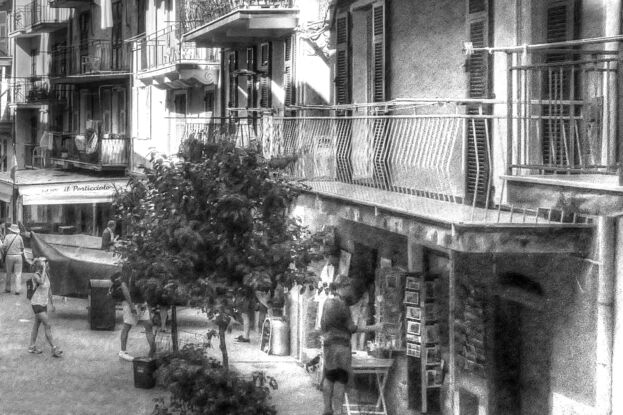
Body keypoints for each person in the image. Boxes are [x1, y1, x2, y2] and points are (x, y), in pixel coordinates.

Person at [320, 274, 383, 415]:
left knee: (329, 376)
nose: (351, 290)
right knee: (341, 379)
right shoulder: (342, 305)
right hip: (341, 346)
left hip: (328, 345)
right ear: (344, 287)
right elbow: (352, 328)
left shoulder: (327, 302)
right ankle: (338, 411)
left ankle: (327, 408)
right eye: (349, 286)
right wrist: (374, 327)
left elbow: (323, 325)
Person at [28, 257, 63, 357]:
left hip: (43, 304)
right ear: (42, 266)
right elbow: (42, 282)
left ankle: (31, 346)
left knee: (36, 325)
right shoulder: (36, 275)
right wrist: (43, 270)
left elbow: (49, 289)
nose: (49, 267)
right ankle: (54, 348)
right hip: (36, 304)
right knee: (47, 324)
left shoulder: (46, 275)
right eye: (46, 265)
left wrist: (52, 303)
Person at [118, 272, 156, 361]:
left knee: (148, 326)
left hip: (142, 303)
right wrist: (131, 305)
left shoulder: (144, 269)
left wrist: (146, 304)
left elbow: (147, 289)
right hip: (130, 303)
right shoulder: (128, 269)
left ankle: (152, 351)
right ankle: (123, 351)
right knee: (127, 326)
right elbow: (124, 287)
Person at [4, 223, 24, 295]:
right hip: (18, 256)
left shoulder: (7, 237)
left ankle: (8, 288)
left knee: (8, 273)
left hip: (9, 256)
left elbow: (4, 246)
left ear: (11, 230)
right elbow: (22, 247)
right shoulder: (19, 237)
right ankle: (17, 290)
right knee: (18, 273)